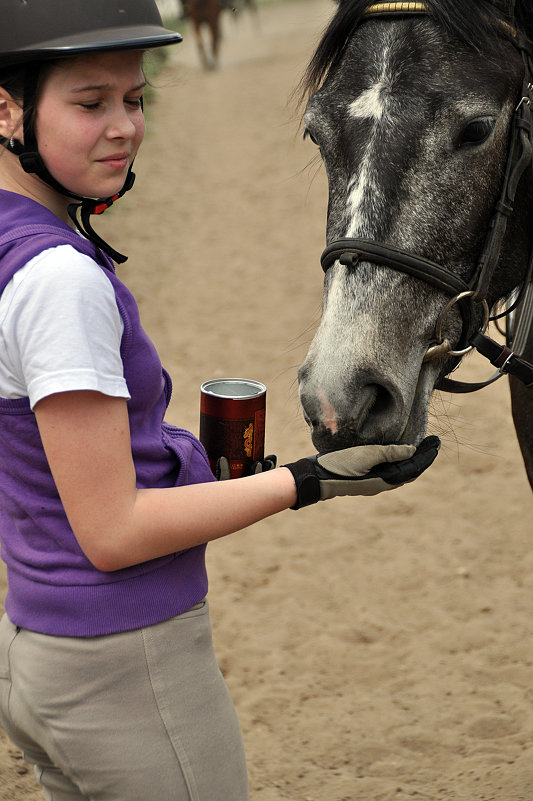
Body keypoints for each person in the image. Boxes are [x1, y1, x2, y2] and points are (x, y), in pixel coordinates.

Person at [0, 1, 440, 799]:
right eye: (89, 102)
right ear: (7, 109)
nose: (124, 127)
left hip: (38, 648)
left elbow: (47, 467)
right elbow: (110, 531)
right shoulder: (58, 280)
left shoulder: (11, 242)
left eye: (134, 99)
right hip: (123, 665)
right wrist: (309, 481)